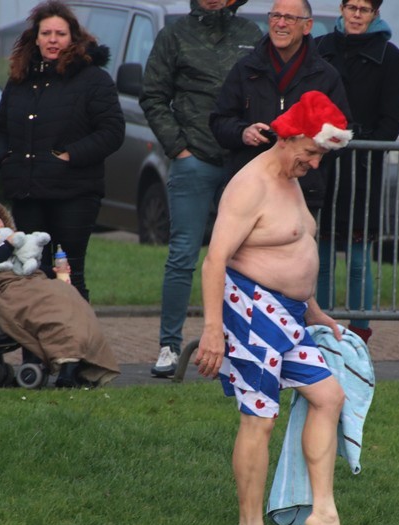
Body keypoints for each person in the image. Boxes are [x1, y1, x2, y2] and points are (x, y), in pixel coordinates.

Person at [196, 91, 384, 525]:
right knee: (260, 417)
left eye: (321, 155)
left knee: (329, 396)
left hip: (290, 314)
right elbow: (214, 260)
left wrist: (313, 309)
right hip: (251, 311)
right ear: (290, 137)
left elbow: (293, 249)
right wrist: (213, 330)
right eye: (312, 152)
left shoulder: (291, 178)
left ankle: (323, 519)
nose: (315, 164)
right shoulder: (250, 184)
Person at [139, 0, 261, 378]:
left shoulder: (251, 34)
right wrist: (179, 148)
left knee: (245, 257)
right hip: (194, 160)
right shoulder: (174, 34)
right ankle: (169, 346)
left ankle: (241, 344)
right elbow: (152, 95)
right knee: (183, 255)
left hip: (242, 161)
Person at [0, 0, 125, 302]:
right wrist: (4, 158)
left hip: (74, 193)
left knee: (68, 273)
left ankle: (76, 333)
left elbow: (112, 132)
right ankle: (36, 335)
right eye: (46, 33)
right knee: (30, 273)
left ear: (73, 38)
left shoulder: (93, 79)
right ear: (35, 38)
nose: (53, 40)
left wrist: (69, 155)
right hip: (27, 193)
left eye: (60, 34)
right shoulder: (19, 80)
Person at [314, 0, 399, 344]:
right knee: (321, 256)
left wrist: (361, 145)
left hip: (364, 168)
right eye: (351, 6)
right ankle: (320, 332)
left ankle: (358, 336)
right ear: (341, 8)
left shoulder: (389, 56)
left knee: (358, 259)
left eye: (363, 9)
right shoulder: (320, 48)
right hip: (323, 163)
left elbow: (391, 120)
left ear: (375, 14)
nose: (356, 14)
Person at [0, 201, 120, 389]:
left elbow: (32, 267)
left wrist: (53, 271)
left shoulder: (18, 246)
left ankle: (78, 362)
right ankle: (69, 361)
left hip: (34, 282)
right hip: (13, 289)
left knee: (72, 299)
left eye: (2, 220)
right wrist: (8, 244)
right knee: (51, 309)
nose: (0, 222)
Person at [210, 0, 350, 213]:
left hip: (303, 192)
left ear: (307, 26)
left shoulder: (326, 76)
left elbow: (342, 133)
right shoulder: (245, 69)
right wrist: (243, 133)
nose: (280, 23)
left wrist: (306, 151)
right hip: (249, 188)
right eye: (275, 16)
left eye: (290, 18)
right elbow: (219, 121)